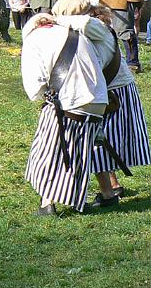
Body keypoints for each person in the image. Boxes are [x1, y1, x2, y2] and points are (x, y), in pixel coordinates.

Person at [51, 0, 150, 207]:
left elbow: (83, 22)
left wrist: (53, 20)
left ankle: (110, 190)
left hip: (115, 92)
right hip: (99, 91)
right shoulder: (78, 30)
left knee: (99, 143)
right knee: (98, 141)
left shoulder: (94, 25)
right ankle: (110, 188)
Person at [21, 11, 110, 215]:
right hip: (98, 101)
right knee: (79, 154)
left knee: (46, 150)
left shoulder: (33, 40)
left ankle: (47, 203)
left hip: (70, 103)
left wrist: (46, 97)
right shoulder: (75, 33)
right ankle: (75, 199)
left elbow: (34, 88)